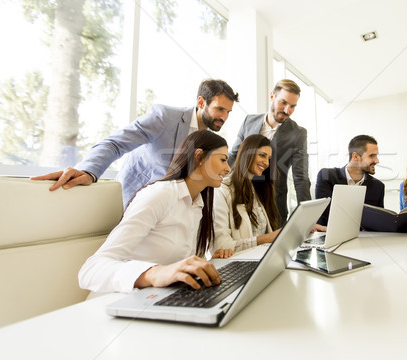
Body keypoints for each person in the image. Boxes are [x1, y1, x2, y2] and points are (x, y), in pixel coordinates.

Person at [32, 79, 239, 207]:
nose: (224, 117)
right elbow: (116, 143)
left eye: (228, 112)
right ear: (201, 102)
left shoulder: (212, 141)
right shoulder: (164, 117)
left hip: (173, 213)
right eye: (220, 109)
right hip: (133, 205)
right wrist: (88, 171)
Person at [78, 130, 232, 294]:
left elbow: (177, 266)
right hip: (118, 302)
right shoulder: (160, 195)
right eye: (223, 160)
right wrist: (154, 273)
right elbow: (90, 270)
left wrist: (207, 266)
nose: (228, 169)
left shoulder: (198, 205)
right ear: (199, 157)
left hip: (158, 299)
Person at [228, 79, 311, 224]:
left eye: (292, 106)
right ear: (272, 96)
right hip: (241, 199)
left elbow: (301, 177)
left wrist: (307, 217)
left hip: (273, 204)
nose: (287, 110)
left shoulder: (298, 133)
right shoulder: (249, 121)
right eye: (283, 103)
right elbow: (234, 156)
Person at [213, 134, 281, 255]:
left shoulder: (256, 190)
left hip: (263, 260)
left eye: (269, 159)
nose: (266, 163)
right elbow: (221, 246)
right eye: (262, 155)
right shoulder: (222, 190)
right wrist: (267, 238)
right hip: (238, 264)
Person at [314, 135, 385, 228]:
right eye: (372, 156)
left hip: (363, 240)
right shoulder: (326, 176)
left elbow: (378, 221)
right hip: (328, 237)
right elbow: (327, 214)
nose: (377, 161)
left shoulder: (378, 186)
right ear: (355, 156)